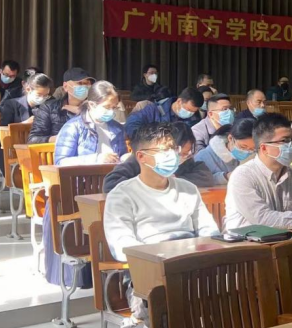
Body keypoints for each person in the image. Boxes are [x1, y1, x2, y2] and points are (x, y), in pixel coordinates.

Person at [103, 122, 219, 321]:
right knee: (174, 303)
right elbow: (123, 247)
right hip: (150, 273)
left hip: (192, 264)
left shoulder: (188, 188)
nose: (172, 155)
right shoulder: (122, 195)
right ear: (141, 156)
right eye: (163, 150)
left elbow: (209, 229)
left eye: (172, 148)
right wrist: (165, 256)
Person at [45, 81, 126, 286]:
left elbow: (122, 156)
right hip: (76, 192)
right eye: (107, 107)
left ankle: (113, 278)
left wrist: (126, 160)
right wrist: (96, 159)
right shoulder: (73, 127)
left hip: (107, 189)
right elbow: (61, 162)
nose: (111, 111)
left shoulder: (116, 128)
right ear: (91, 104)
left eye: (114, 107)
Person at [104, 122, 216, 192]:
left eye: (186, 153)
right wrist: (149, 184)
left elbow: (206, 177)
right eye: (177, 152)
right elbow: (111, 182)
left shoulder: (187, 161)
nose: (181, 158)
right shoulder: (144, 158)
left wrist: (171, 181)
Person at [28, 67, 94, 144]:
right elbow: (33, 139)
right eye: (80, 83)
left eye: (87, 83)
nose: (84, 87)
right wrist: (60, 138)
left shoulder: (95, 108)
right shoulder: (49, 108)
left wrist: (84, 112)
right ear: (65, 86)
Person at [124, 87, 203, 139]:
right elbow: (131, 123)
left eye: (193, 112)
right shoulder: (155, 110)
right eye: (188, 109)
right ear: (179, 101)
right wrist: (147, 139)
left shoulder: (194, 119)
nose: (189, 113)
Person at [195, 118, 256, 185]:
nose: (247, 152)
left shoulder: (254, 157)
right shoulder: (203, 157)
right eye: (243, 147)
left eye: (252, 149)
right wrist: (226, 177)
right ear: (230, 138)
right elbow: (196, 181)